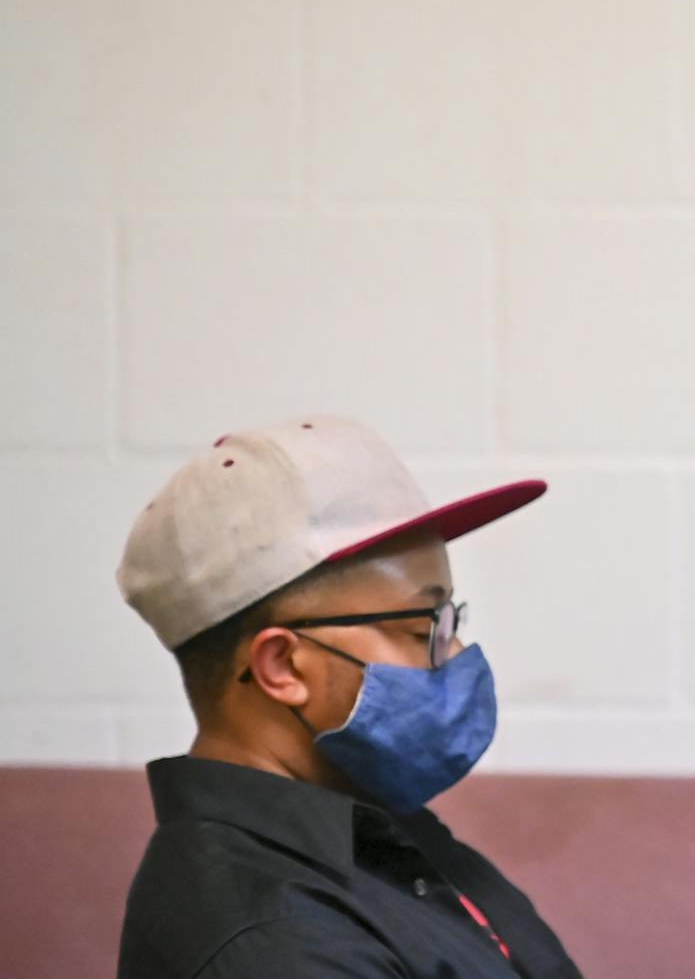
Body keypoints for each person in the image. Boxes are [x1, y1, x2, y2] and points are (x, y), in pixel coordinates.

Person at [115, 415, 582, 977]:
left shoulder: (376, 841)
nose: (456, 653)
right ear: (283, 665)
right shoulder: (273, 941)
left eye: (450, 618)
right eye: (423, 629)